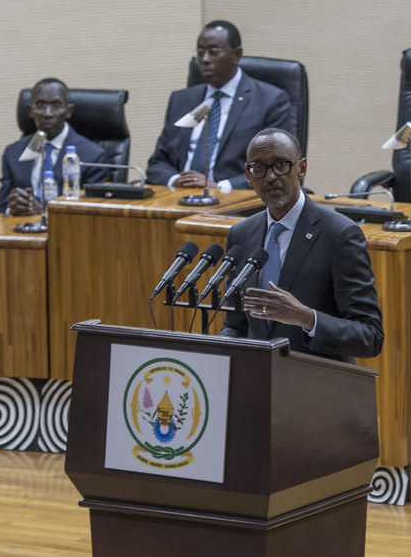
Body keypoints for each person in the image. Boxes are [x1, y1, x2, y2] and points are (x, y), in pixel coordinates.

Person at [218, 128, 384, 363]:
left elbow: (370, 337)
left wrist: (307, 318)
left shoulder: (339, 235)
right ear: (248, 174)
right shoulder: (241, 234)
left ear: (301, 169)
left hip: (317, 384)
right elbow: (236, 325)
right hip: (257, 381)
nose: (270, 176)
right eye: (259, 168)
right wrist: (218, 347)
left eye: (281, 165)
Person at [146, 20, 292, 190]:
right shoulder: (181, 100)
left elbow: (277, 167)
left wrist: (219, 186)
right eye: (200, 51)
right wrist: (176, 181)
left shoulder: (269, 100)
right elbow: (157, 163)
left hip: (235, 203)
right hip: (179, 198)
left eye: (213, 51)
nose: (205, 59)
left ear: (237, 55)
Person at [0, 78, 109, 214]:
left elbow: (94, 211)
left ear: (69, 111)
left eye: (56, 105)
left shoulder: (93, 156)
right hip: (22, 230)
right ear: (30, 111)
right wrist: (12, 207)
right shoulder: (13, 153)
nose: (47, 113)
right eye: (40, 105)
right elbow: (1, 209)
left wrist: (45, 211)